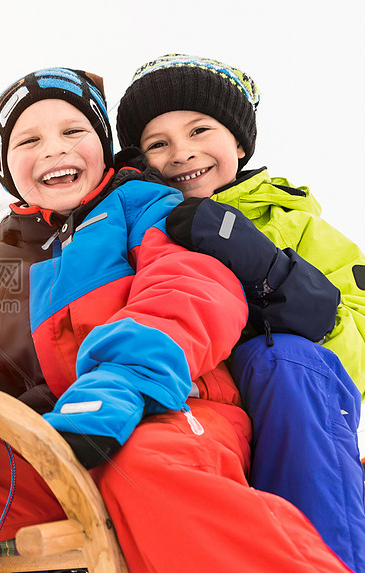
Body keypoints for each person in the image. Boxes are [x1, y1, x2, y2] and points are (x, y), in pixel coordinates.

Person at [0, 66, 353, 573]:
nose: (55, 149)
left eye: (73, 131)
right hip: (60, 439)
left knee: (141, 467)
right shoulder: (5, 262)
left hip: (172, 411)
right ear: (8, 170)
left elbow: (190, 292)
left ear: (104, 146)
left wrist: (120, 381)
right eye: (29, 139)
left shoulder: (149, 207)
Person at [115, 53, 365, 572]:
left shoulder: (296, 225)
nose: (182, 153)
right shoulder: (135, 227)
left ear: (239, 143)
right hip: (192, 413)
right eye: (158, 143)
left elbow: (355, 345)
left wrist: (268, 270)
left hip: (297, 415)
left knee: (282, 359)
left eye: (199, 129)